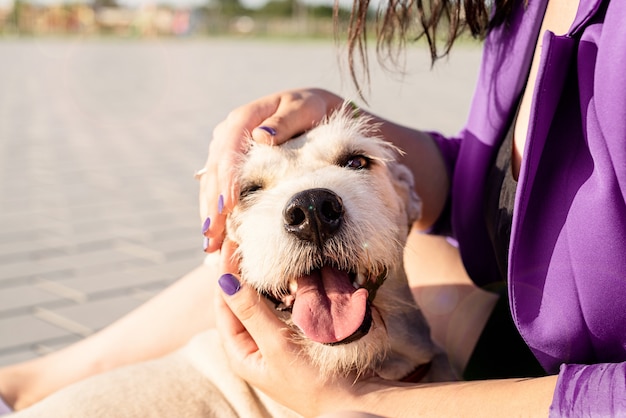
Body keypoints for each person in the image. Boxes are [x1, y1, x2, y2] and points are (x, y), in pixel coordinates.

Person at [1, 0, 625, 415]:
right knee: (272, 263)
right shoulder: (523, 11)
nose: (308, 206)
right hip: (530, 310)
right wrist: (344, 117)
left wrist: (368, 405)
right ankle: (31, 383)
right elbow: (515, 180)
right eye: (254, 190)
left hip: (576, 385)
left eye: (355, 163)